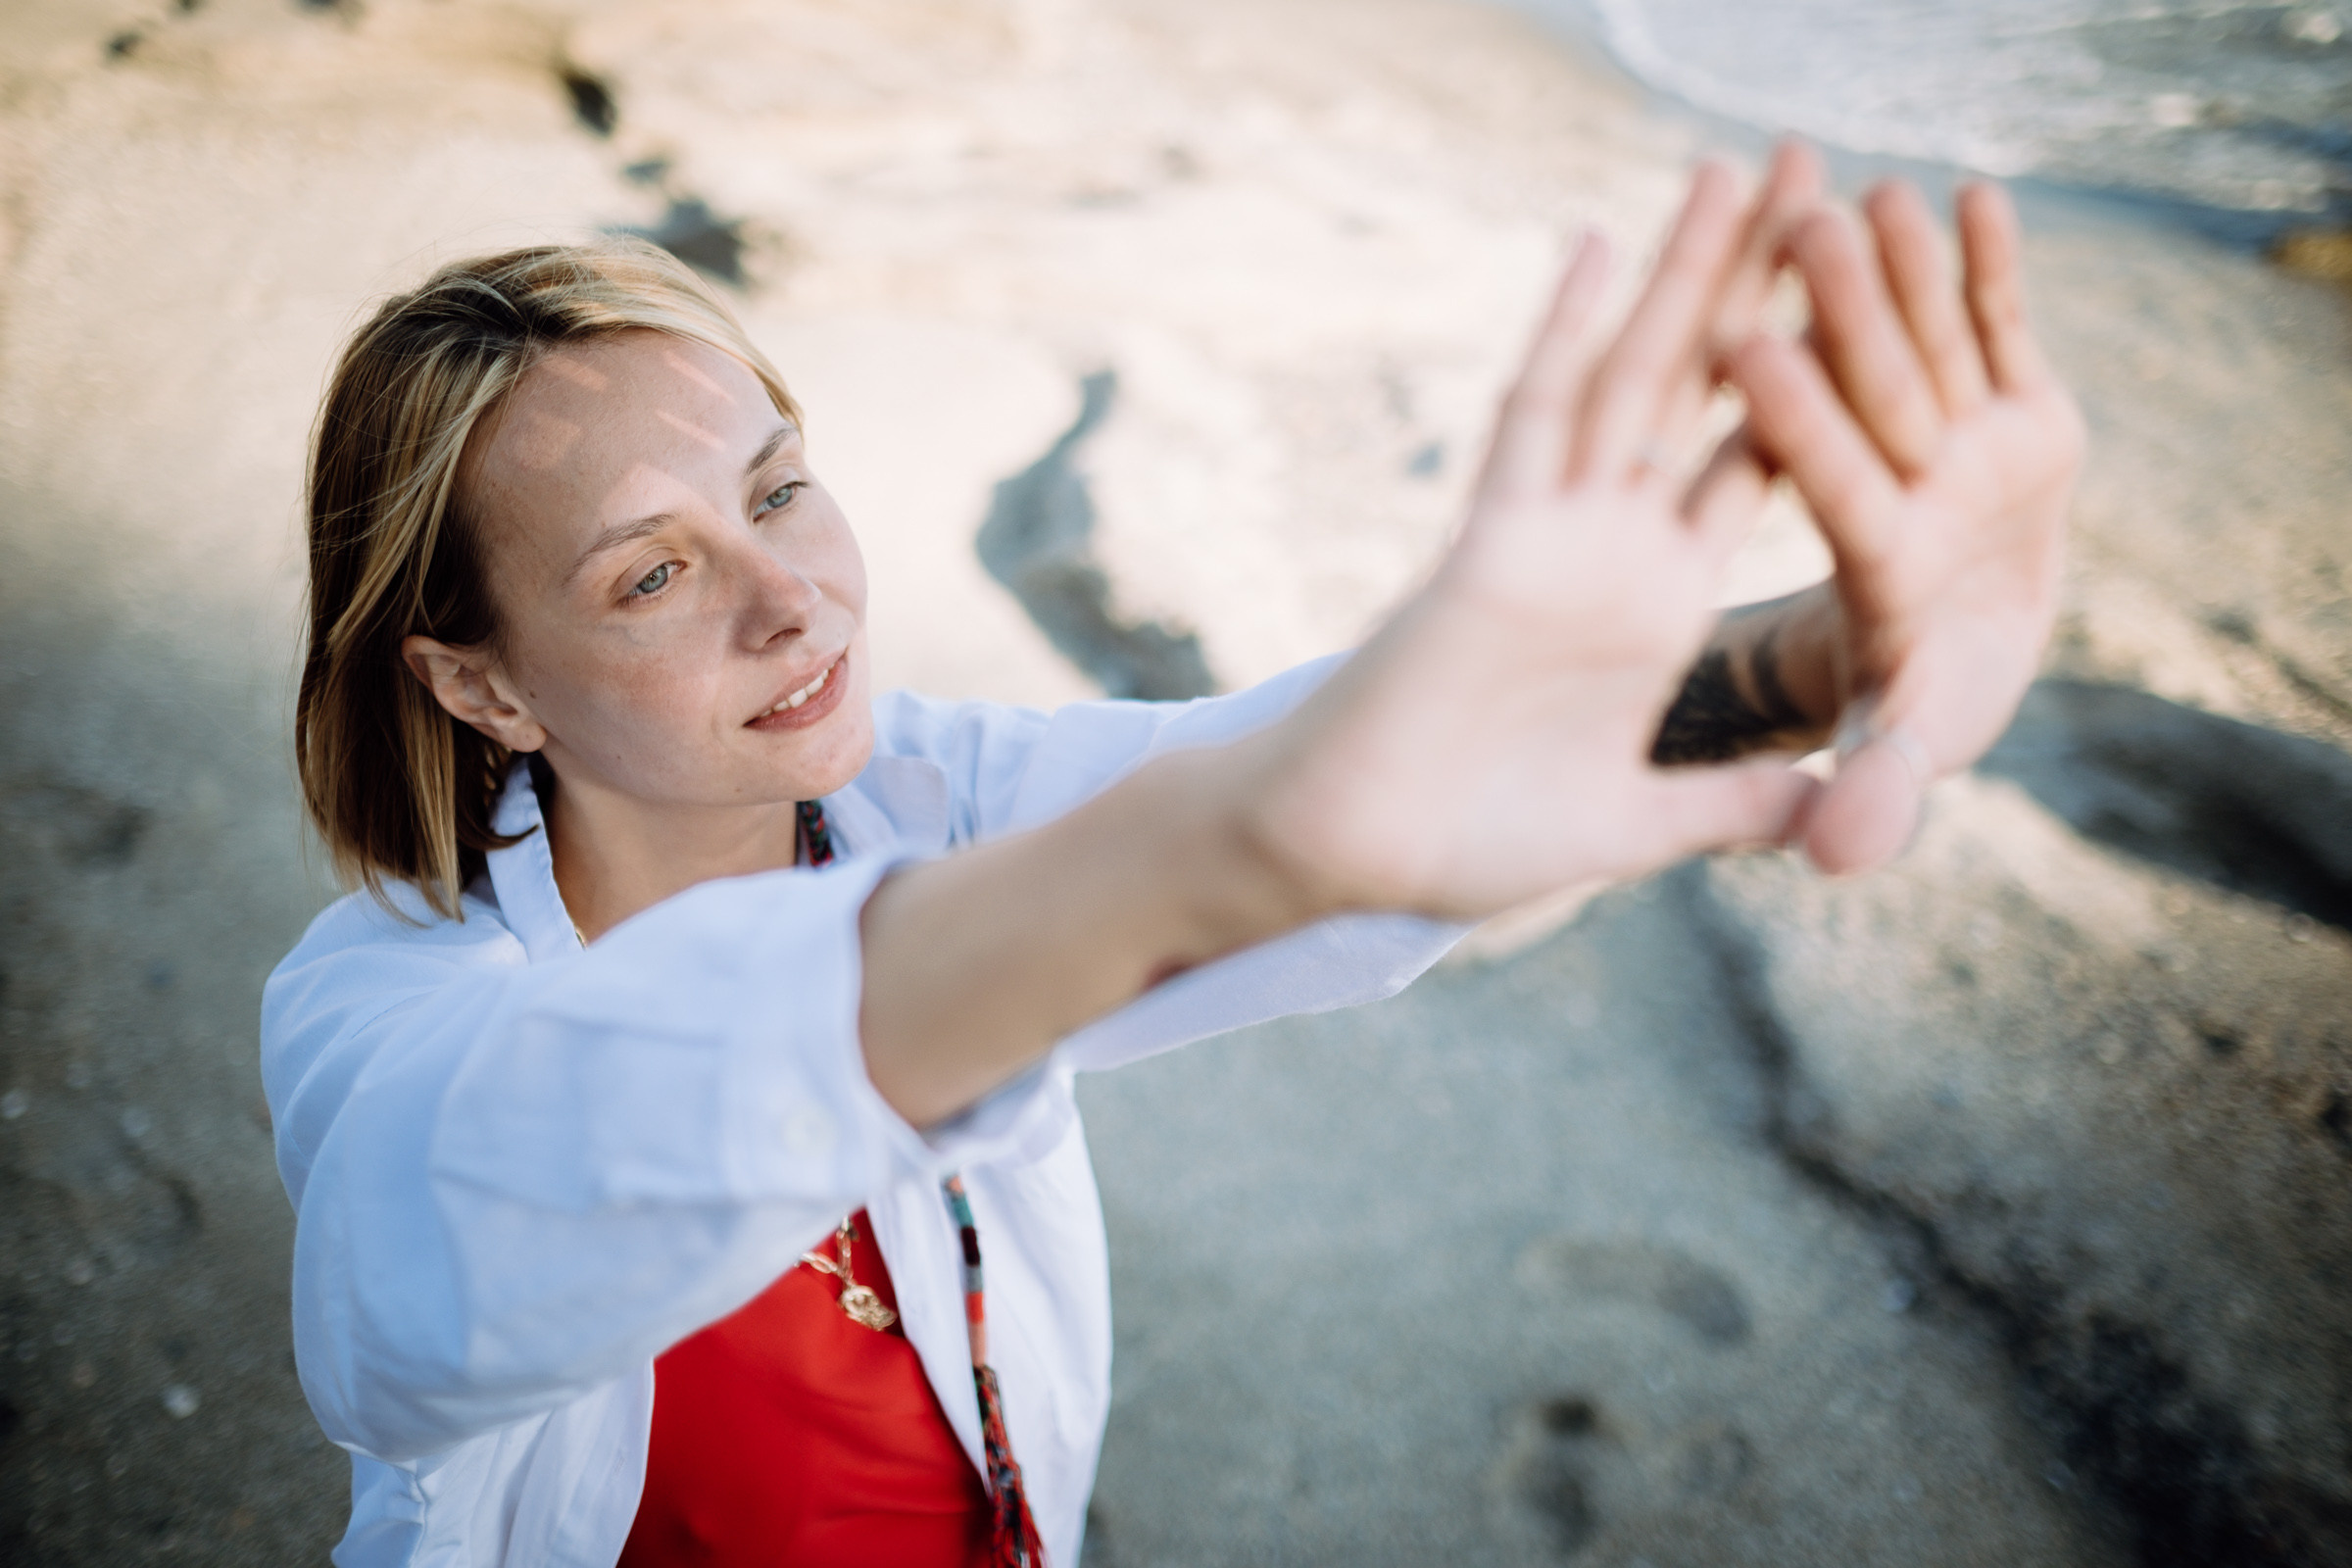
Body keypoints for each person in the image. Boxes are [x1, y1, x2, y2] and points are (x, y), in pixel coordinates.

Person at [263, 143, 2082, 1567]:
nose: (790, 594)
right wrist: (1180, 869)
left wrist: (1846, 645)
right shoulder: (388, 1014)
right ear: (480, 682)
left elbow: (1327, 772)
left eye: (777, 486)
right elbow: (449, 1251)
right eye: (651, 572)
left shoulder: (926, 797)